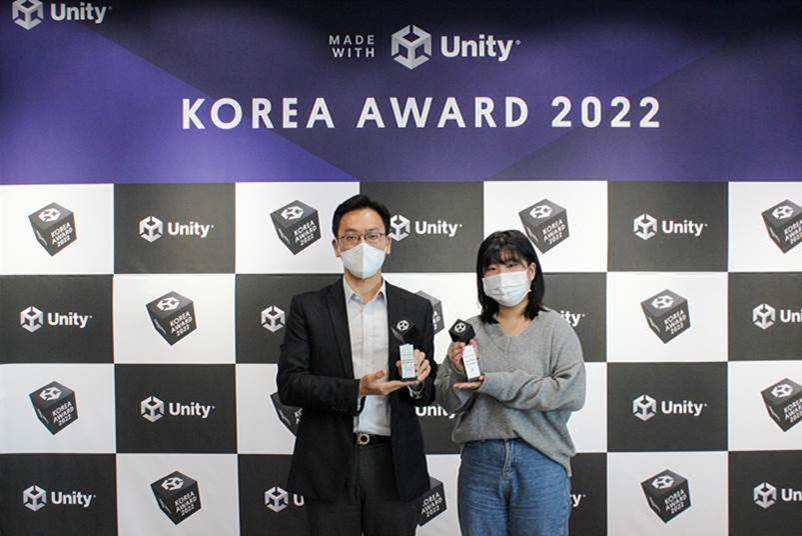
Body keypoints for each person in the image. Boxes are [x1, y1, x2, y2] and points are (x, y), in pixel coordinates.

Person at [277, 194, 436, 536]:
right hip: (328, 461)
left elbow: (425, 393)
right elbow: (290, 384)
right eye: (351, 236)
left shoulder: (416, 308)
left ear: (388, 243)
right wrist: (357, 389)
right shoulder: (308, 307)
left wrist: (420, 382)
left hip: (394, 463)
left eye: (373, 235)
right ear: (336, 246)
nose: (362, 245)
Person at [434, 229, 586, 536]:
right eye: (491, 268)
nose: (501, 275)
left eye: (511, 265)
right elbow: (449, 401)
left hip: (540, 459)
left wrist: (492, 382)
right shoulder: (469, 330)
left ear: (531, 271)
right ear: (482, 278)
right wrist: (458, 369)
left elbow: (570, 393)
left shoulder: (556, 328)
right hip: (480, 463)